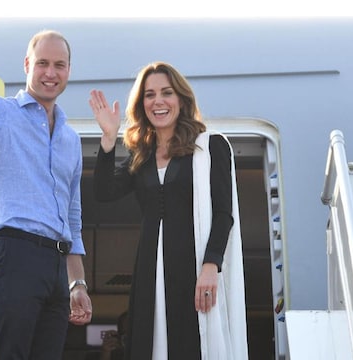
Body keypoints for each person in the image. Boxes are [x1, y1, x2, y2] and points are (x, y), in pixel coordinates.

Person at [0, 3, 92, 359]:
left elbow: (72, 220)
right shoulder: (3, 114)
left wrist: (78, 284)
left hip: (56, 268)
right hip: (13, 254)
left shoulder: (70, 138)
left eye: (59, 65)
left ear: (69, 70)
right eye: (42, 63)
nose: (50, 72)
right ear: (27, 66)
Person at [90, 61, 248, 359]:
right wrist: (109, 140)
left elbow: (224, 214)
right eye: (149, 95)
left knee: (190, 343)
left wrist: (210, 266)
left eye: (166, 92)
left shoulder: (210, 147)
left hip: (192, 267)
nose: (158, 101)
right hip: (150, 271)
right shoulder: (142, 156)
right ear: (142, 104)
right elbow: (103, 192)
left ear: (181, 99)